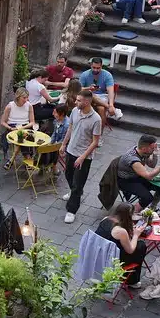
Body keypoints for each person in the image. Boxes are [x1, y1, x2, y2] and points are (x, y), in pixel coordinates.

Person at [60, 90, 102, 224]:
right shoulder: (74, 111)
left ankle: (71, 210)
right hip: (71, 150)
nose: (75, 102)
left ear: (87, 101)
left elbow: (95, 142)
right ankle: (74, 192)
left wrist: (83, 157)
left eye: (79, 100)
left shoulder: (96, 119)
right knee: (68, 175)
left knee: (78, 184)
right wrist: (63, 144)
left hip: (84, 156)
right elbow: (70, 127)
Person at [94, 203, 148, 287]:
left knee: (138, 245)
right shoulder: (120, 231)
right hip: (113, 260)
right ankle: (131, 281)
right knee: (141, 246)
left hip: (99, 254)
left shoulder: (106, 219)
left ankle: (131, 279)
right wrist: (136, 235)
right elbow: (130, 250)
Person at [117, 134, 160, 211]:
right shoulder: (133, 159)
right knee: (147, 198)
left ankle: (152, 207)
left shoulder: (142, 151)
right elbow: (149, 176)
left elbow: (152, 165)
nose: (155, 149)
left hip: (137, 177)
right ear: (144, 148)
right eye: (153, 148)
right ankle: (132, 214)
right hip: (126, 181)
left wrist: (155, 154)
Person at [0, 87, 36, 165]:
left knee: (24, 136)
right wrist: (10, 128)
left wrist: (22, 127)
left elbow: (32, 122)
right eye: (24, 98)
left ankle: (13, 158)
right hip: (12, 127)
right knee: (21, 137)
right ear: (18, 97)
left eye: (27, 97)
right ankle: (27, 157)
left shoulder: (29, 106)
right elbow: (2, 122)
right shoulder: (10, 106)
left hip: (25, 127)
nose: (26, 100)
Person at [79, 58, 120, 122]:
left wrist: (111, 104)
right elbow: (79, 88)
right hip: (87, 96)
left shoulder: (107, 75)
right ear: (91, 66)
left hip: (102, 96)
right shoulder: (84, 74)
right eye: (94, 67)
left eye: (98, 68)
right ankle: (111, 108)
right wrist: (89, 88)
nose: (96, 70)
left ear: (101, 67)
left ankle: (100, 131)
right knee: (90, 94)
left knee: (101, 109)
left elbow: (110, 91)